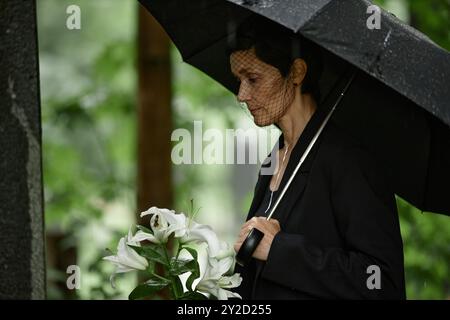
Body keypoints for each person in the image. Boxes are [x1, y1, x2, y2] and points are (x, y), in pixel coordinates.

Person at [228, 16, 406, 299]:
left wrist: (281, 250)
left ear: (297, 72)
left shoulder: (349, 160)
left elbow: (383, 283)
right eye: (239, 80)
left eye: (253, 78)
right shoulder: (273, 160)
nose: (241, 94)